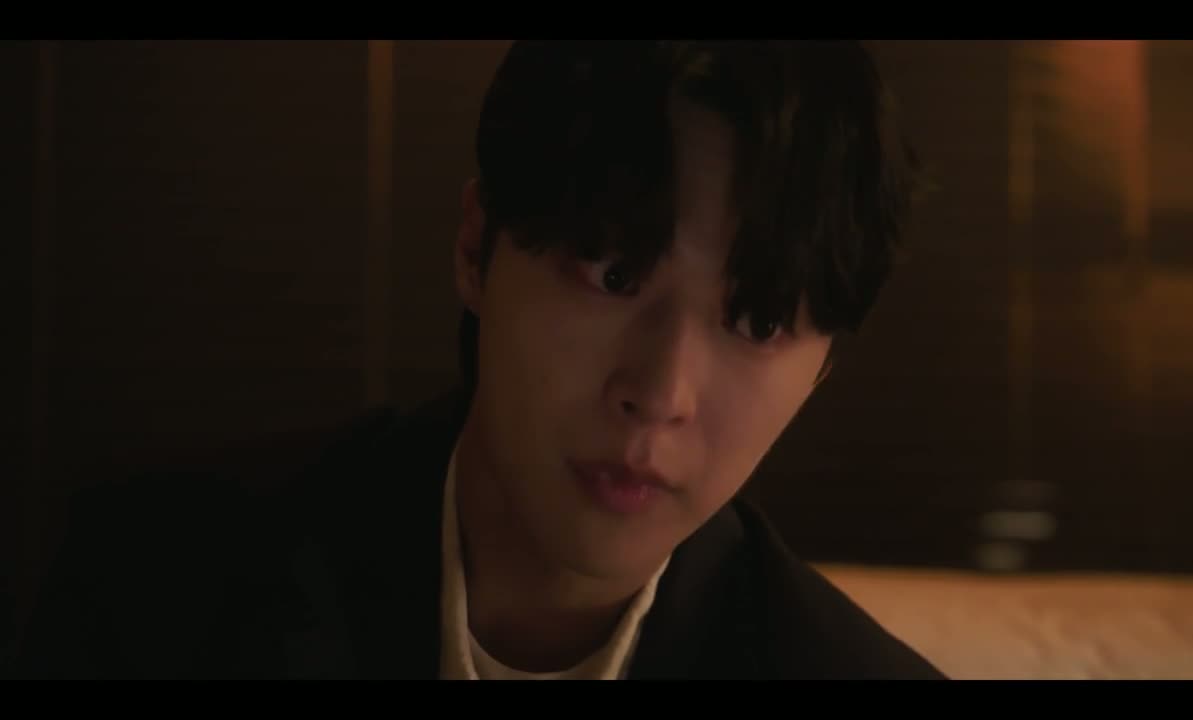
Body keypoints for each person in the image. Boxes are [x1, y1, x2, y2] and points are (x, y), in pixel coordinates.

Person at [11, 40, 945, 680]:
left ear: (824, 366)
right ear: (475, 247)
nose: (661, 394)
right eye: (614, 275)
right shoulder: (154, 589)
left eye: (758, 320)